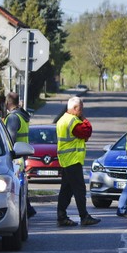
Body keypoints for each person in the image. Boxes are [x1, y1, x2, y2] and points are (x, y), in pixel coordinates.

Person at [56, 96, 100, 227]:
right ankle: (84, 216)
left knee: (66, 190)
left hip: (67, 159)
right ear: (74, 108)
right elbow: (87, 131)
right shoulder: (72, 121)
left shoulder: (63, 119)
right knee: (79, 189)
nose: (82, 111)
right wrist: (84, 120)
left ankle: (61, 217)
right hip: (72, 159)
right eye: (81, 109)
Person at [4, 92, 37, 218]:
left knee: (16, 183)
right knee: (21, 183)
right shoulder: (23, 115)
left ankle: (25, 209)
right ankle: (28, 208)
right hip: (22, 154)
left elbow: (10, 138)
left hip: (15, 156)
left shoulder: (12, 117)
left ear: (8, 103)